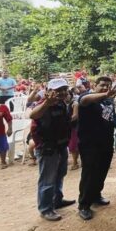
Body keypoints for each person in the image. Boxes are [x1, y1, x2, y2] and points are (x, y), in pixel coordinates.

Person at [29, 79, 76, 221]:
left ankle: (57, 200)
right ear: (49, 91)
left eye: (64, 89)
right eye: (57, 90)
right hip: (47, 148)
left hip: (61, 145)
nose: (61, 92)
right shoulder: (44, 104)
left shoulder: (62, 103)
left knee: (60, 174)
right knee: (47, 179)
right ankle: (45, 209)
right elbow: (33, 115)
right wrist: (46, 104)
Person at [77, 76, 116, 220]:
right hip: (90, 144)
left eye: (108, 85)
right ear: (95, 85)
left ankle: (96, 195)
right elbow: (84, 101)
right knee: (89, 174)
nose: (106, 87)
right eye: (102, 85)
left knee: (102, 171)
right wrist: (105, 94)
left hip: (106, 142)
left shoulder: (109, 101)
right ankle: (84, 205)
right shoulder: (87, 97)